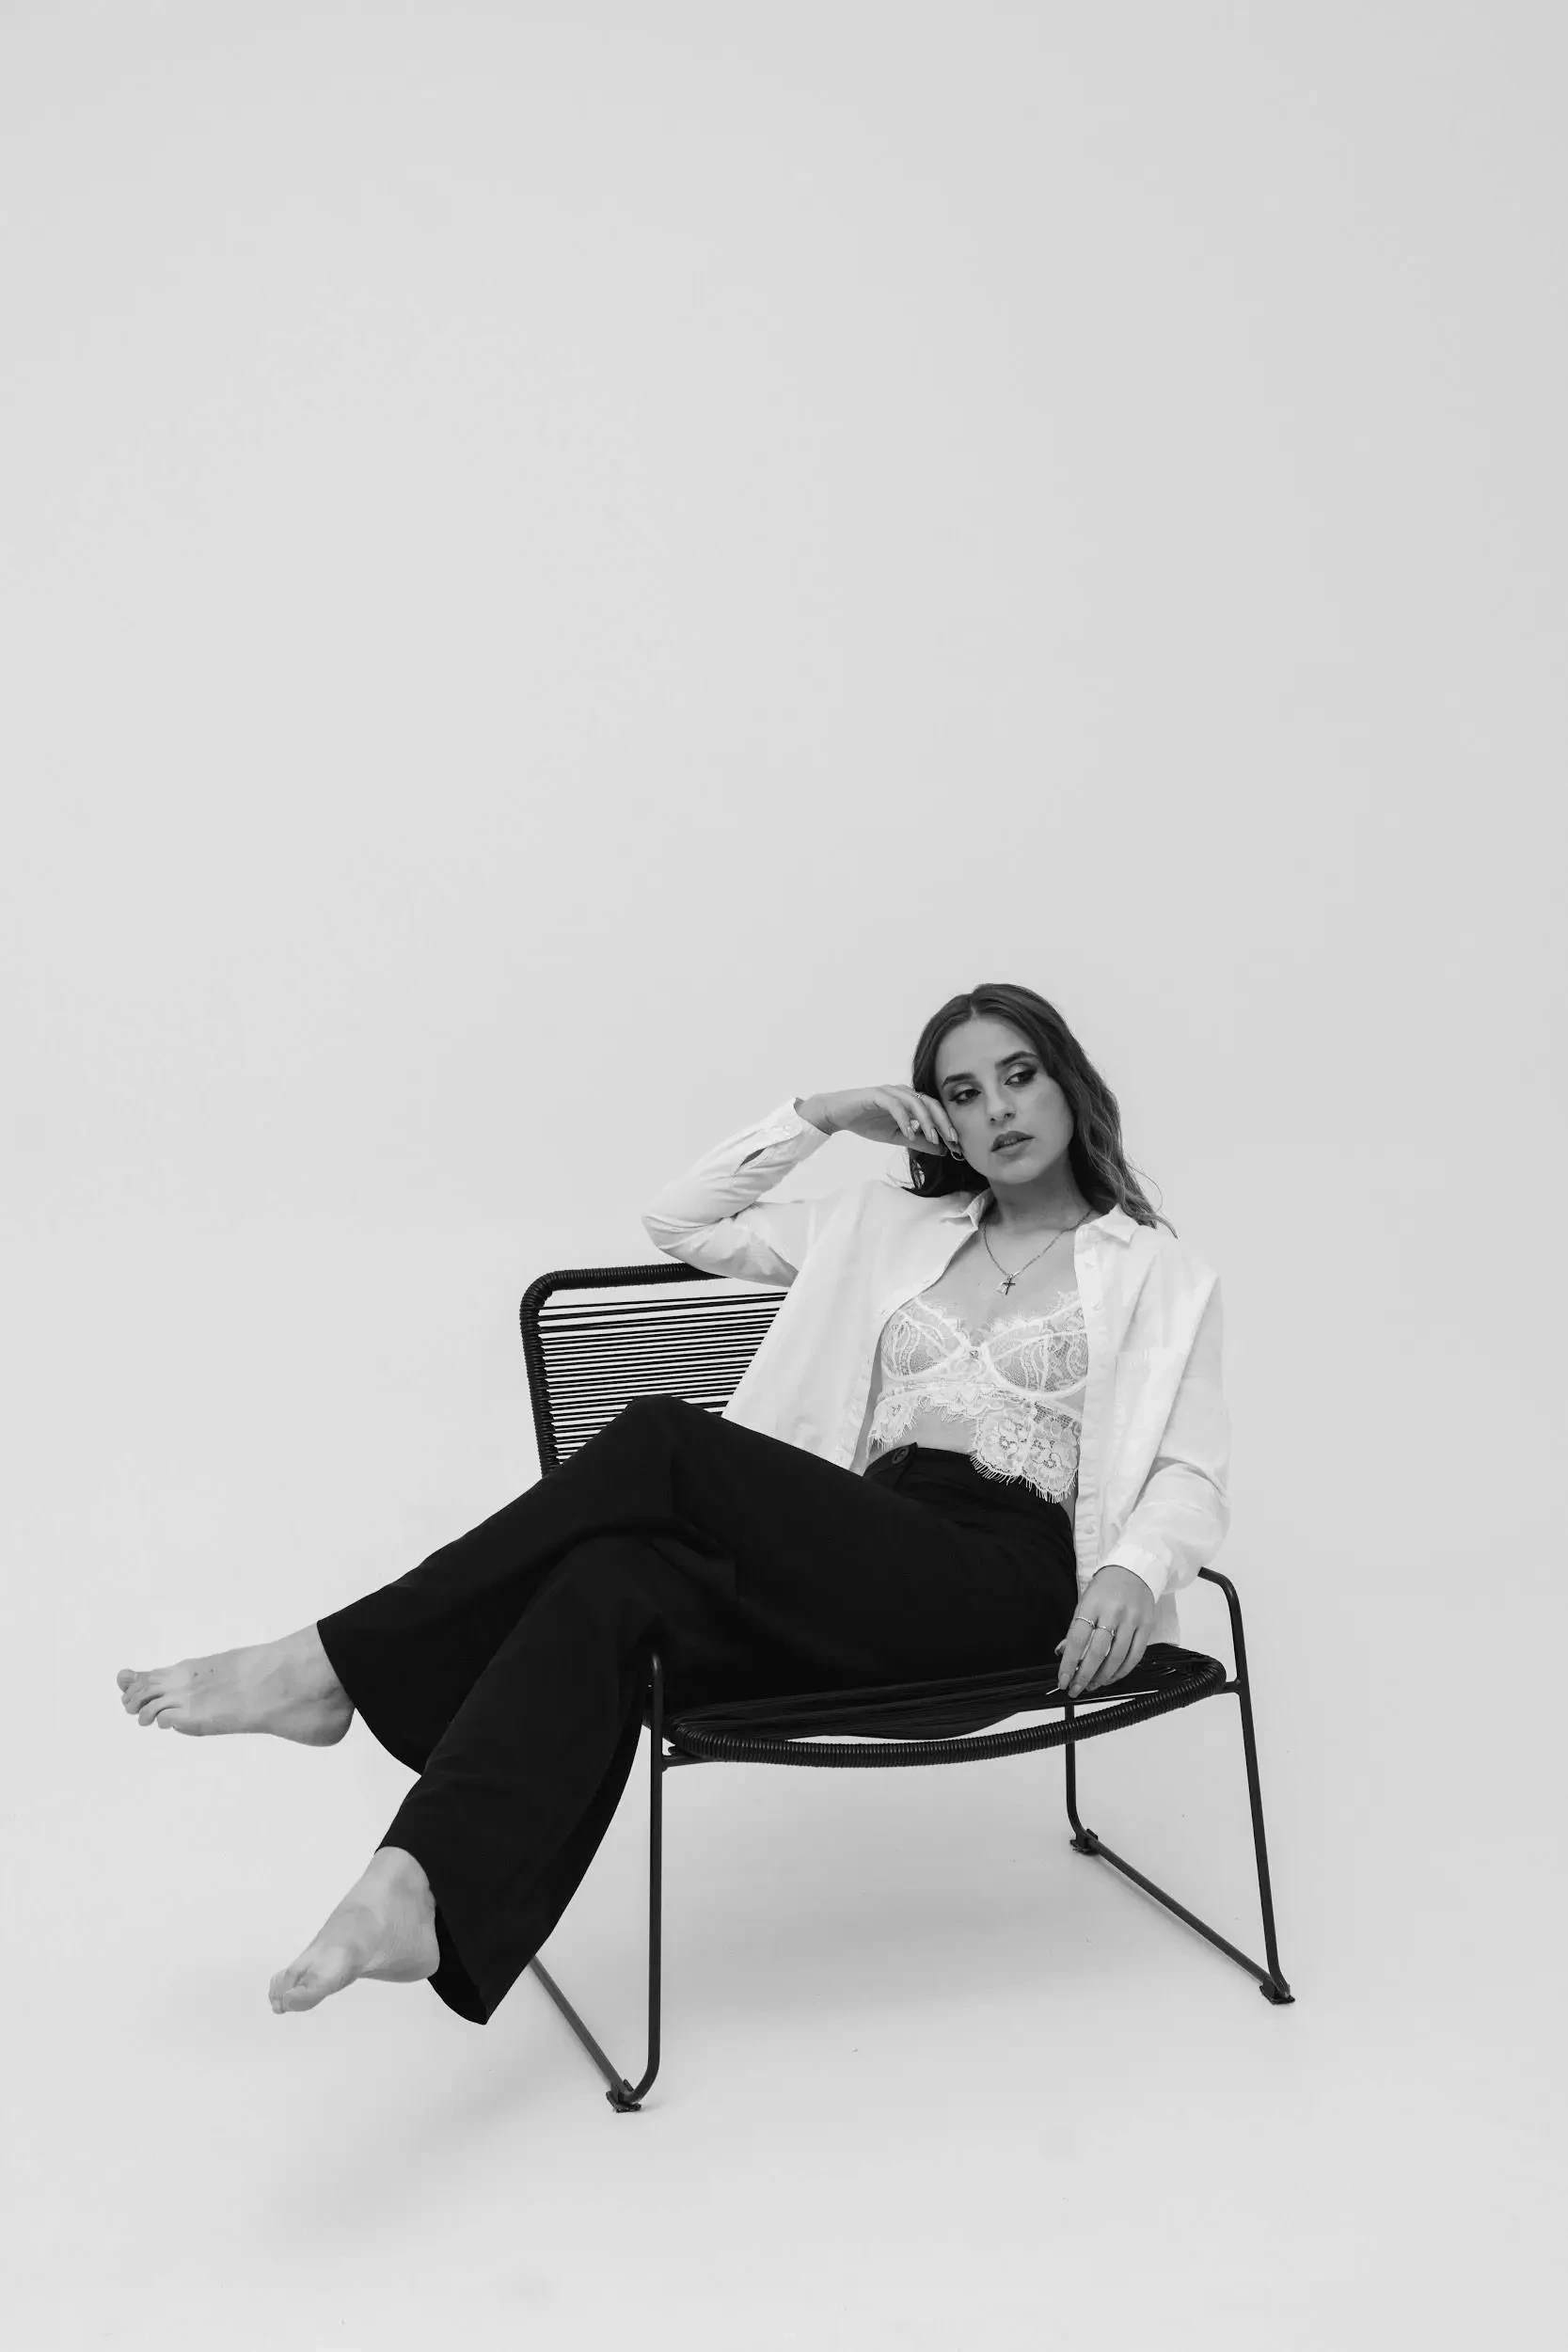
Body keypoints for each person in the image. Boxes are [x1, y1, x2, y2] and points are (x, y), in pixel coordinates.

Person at [116, 980, 1230, 2028]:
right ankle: (415, 1883)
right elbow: (681, 1221)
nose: (995, 1108)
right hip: (857, 1562)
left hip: (1001, 1579)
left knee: (660, 1435)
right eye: (960, 1090)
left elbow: (1188, 1468)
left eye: (1018, 1074)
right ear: (933, 1118)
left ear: (1069, 1084)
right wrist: (822, 1113)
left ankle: (327, 1664)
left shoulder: (1156, 1273)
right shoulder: (883, 1226)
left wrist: (1135, 1569)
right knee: (613, 1579)